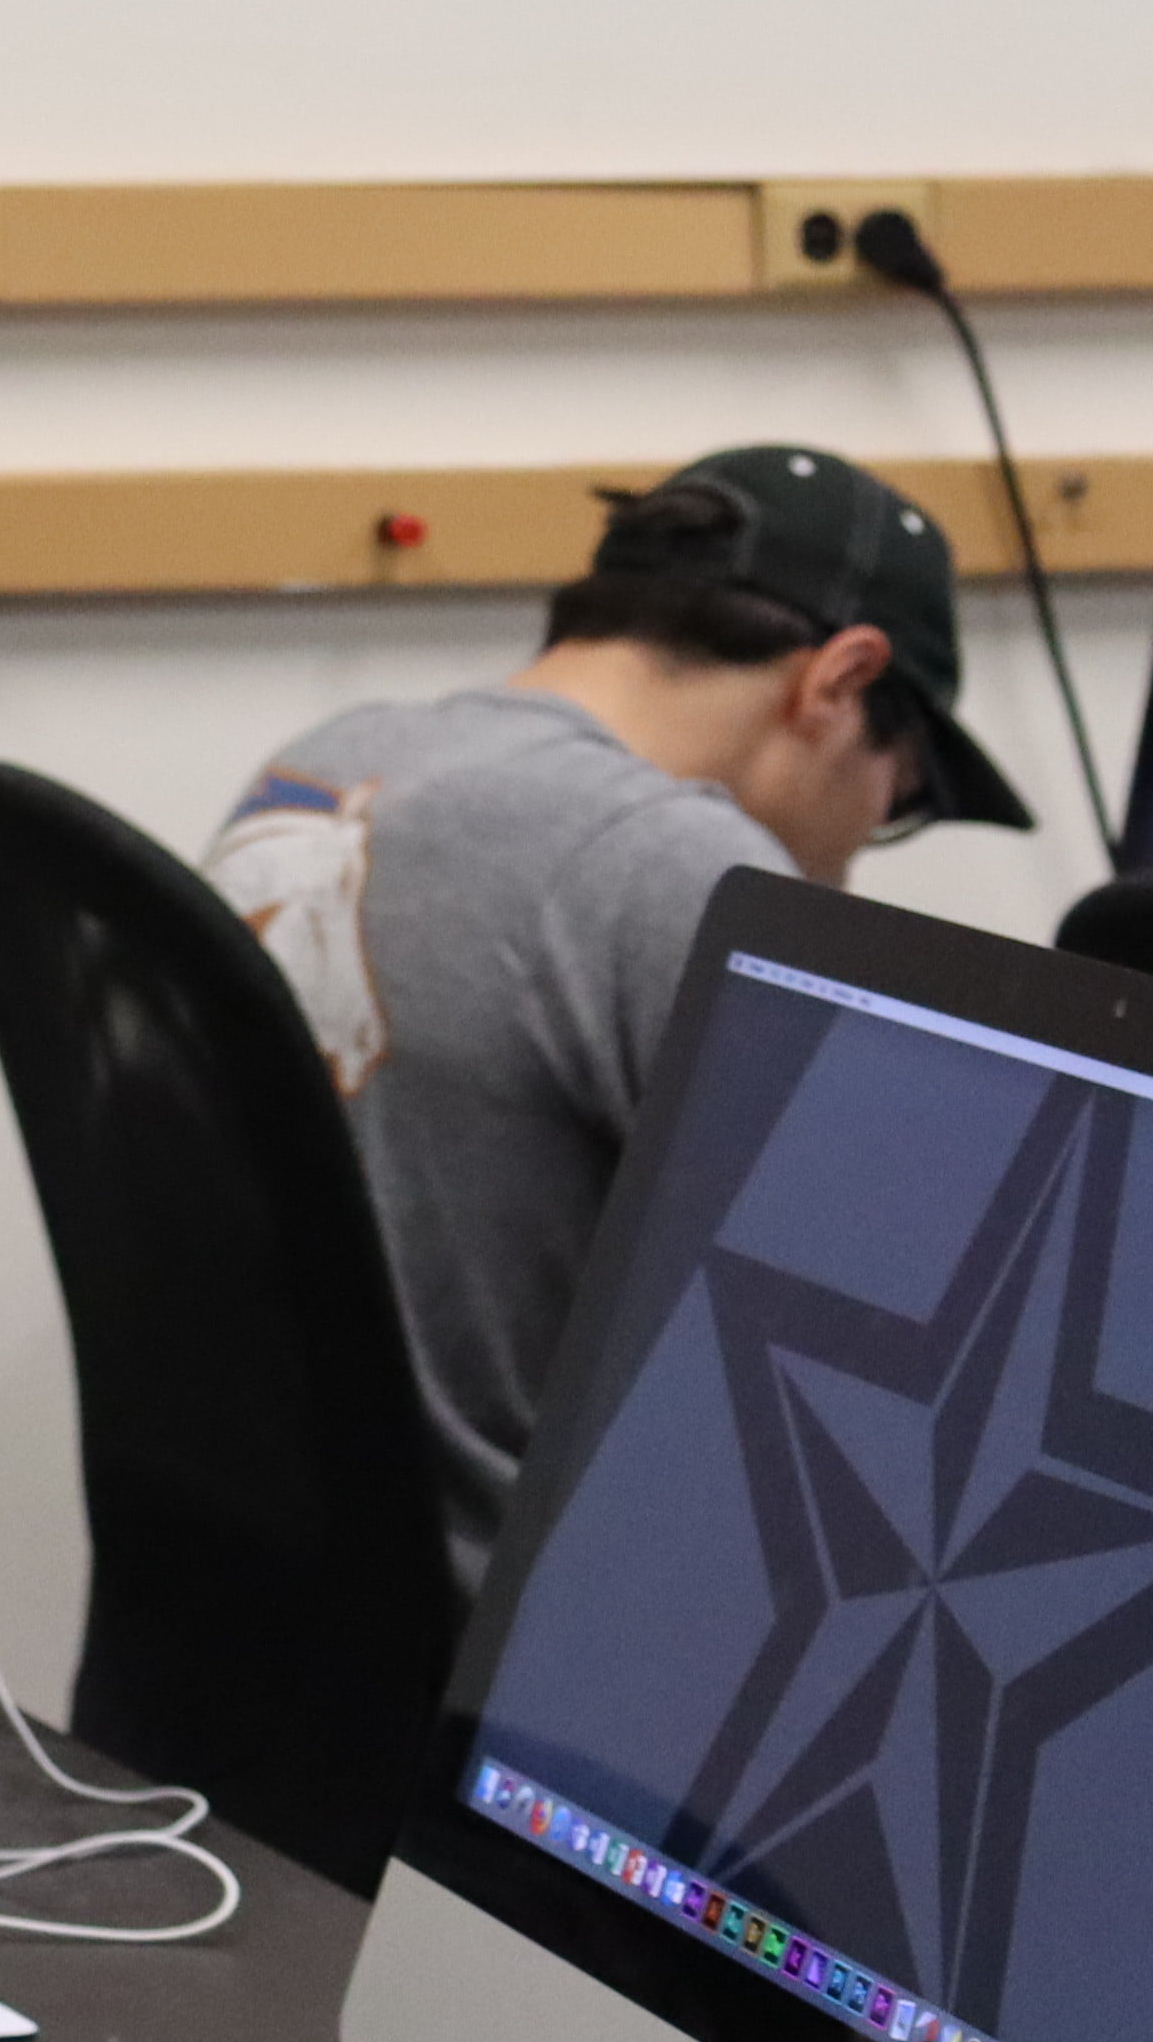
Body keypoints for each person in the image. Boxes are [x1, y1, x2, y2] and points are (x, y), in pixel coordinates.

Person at [205, 446, 1037, 1586]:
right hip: (505, 1635)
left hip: (245, 1607)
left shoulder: (332, 757)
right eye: (897, 801)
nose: (856, 852)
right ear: (841, 680)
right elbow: (898, 1344)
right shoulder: (677, 867)